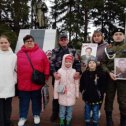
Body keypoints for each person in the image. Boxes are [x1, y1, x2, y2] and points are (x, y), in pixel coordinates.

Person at [17, 35, 50, 126]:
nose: (29, 42)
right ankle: (23, 117)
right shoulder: (19, 54)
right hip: (23, 83)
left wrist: (46, 76)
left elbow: (47, 64)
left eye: (31, 41)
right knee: (24, 102)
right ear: (24, 43)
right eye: (27, 41)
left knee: (36, 100)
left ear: (34, 42)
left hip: (37, 83)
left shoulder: (41, 52)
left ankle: (36, 115)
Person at [50, 32, 81, 122]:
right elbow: (51, 63)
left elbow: (77, 62)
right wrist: (54, 73)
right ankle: (56, 113)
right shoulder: (55, 50)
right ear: (59, 41)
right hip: (59, 78)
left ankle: (68, 115)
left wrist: (78, 72)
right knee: (58, 94)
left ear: (68, 40)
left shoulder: (73, 51)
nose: (63, 41)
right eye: (61, 40)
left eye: (65, 39)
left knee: (69, 95)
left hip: (70, 78)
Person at [102, 28, 126, 126]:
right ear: (113, 36)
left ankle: (123, 120)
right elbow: (103, 63)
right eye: (116, 34)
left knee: (123, 100)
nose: (118, 36)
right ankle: (109, 119)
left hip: (123, 79)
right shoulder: (108, 48)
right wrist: (108, 72)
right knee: (109, 98)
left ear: (124, 36)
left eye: (120, 34)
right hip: (110, 77)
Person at [80, 57, 107, 126]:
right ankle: (87, 122)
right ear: (88, 64)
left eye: (93, 62)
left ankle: (95, 123)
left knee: (95, 111)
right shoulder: (85, 74)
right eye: (90, 63)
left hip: (97, 97)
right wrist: (82, 91)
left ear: (96, 64)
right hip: (87, 97)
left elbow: (103, 85)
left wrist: (101, 93)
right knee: (87, 111)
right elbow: (82, 84)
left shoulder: (100, 74)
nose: (91, 64)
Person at [54, 54, 79, 126]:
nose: (68, 63)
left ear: (72, 63)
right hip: (62, 93)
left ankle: (68, 120)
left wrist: (76, 94)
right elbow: (56, 84)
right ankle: (62, 120)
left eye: (70, 62)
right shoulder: (60, 70)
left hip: (71, 94)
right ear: (63, 62)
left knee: (70, 110)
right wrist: (56, 95)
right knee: (62, 109)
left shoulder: (74, 71)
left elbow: (76, 84)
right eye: (66, 62)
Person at [0, 35, 17, 126]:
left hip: (9, 85)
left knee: (8, 106)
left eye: (5, 42)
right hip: (0, 85)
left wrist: (14, 81)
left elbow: (16, 70)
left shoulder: (14, 56)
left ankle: (7, 121)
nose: (3, 44)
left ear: (9, 43)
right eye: (1, 43)